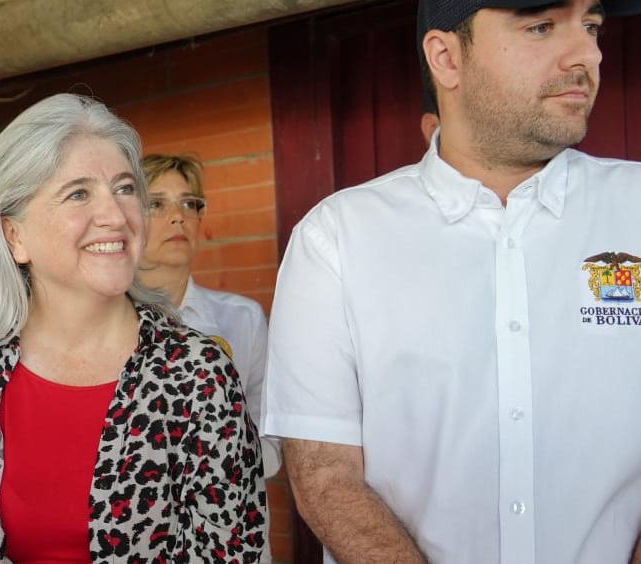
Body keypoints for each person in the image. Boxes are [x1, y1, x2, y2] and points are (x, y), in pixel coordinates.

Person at [265, 1, 641, 563]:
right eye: (541, 26)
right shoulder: (336, 238)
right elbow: (325, 476)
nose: (587, 54)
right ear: (446, 57)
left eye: (591, 26)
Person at [0, 93, 267, 562]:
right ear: (15, 236)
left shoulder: (198, 375)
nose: (115, 215)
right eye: (78, 193)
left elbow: (229, 552)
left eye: (125, 188)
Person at [137, 153, 279, 481]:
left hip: (224, 519)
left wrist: (226, 472)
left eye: (189, 204)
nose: (178, 217)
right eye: (156, 204)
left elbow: (271, 436)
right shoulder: (100, 322)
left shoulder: (243, 319)